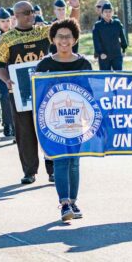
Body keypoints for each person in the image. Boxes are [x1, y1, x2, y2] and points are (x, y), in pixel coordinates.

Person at [0, 0, 80, 185]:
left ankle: (53, 170)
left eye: (32, 11)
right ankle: (29, 171)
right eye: (26, 13)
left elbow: (68, 29)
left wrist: (75, 7)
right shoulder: (7, 38)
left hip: (45, 91)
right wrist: (7, 80)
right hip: (19, 92)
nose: (31, 15)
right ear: (16, 16)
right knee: (25, 133)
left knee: (50, 128)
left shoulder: (43, 32)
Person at [36, 19, 92, 222]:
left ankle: (74, 201)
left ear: (75, 39)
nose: (64, 40)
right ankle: (65, 203)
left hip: (77, 121)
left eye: (68, 36)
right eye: (60, 36)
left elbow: (91, 93)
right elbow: (39, 94)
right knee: (60, 160)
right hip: (54, 122)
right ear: (53, 39)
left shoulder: (84, 63)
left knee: (74, 161)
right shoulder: (45, 64)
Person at [0, 8, 14, 138]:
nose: (6, 23)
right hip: (2, 72)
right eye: (3, 21)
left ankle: (15, 124)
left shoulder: (16, 35)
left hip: (14, 71)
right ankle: (7, 124)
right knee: (5, 97)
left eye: (7, 20)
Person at [92, 2, 127, 70]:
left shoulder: (117, 23)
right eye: (106, 11)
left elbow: (122, 37)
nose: (108, 13)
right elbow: (96, 41)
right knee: (105, 76)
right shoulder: (97, 25)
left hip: (116, 54)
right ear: (102, 13)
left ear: (113, 13)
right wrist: (100, 53)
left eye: (110, 11)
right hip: (104, 55)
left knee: (118, 76)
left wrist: (124, 49)